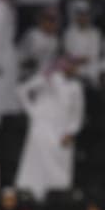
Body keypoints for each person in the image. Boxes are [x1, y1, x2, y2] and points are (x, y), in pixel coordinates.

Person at [14, 57, 85, 201]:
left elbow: (77, 113)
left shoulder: (76, 87)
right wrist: (32, 111)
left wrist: (71, 132)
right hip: (41, 129)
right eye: (71, 65)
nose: (74, 69)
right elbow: (21, 92)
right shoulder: (45, 80)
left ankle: (58, 197)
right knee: (36, 164)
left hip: (62, 132)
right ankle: (33, 194)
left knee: (60, 170)